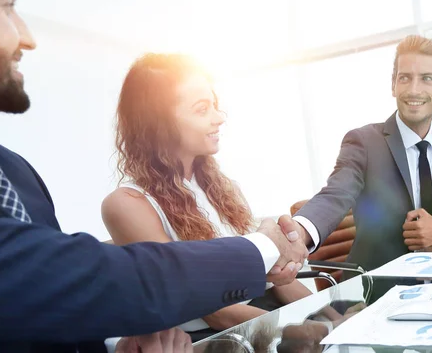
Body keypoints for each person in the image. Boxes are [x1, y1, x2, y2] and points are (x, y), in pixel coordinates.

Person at [0, 0, 307, 352]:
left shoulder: (13, 169)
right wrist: (265, 248)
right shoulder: (128, 201)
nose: (27, 38)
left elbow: (53, 294)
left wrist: (115, 346)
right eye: (6, 6)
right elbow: (89, 274)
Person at [101, 53, 314, 339]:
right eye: (202, 110)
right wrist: (292, 330)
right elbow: (214, 310)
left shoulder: (223, 188)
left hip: (265, 317)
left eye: (214, 105)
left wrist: (325, 318)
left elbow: (276, 279)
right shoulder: (127, 205)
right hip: (220, 336)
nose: (219, 118)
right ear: (157, 123)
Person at [285, 35, 432, 272]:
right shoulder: (364, 141)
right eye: (405, 78)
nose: (413, 90)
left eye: (427, 79)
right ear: (393, 85)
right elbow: (335, 195)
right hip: (378, 287)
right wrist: (298, 233)